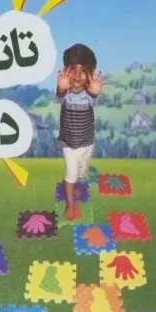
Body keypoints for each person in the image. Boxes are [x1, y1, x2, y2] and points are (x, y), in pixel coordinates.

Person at [56, 43, 104, 222]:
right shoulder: (65, 94)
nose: (77, 75)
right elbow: (59, 95)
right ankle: (70, 203)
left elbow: (94, 97)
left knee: (82, 172)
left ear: (90, 73)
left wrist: (96, 93)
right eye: (73, 69)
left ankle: (75, 181)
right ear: (65, 71)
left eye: (83, 70)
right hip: (69, 143)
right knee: (71, 173)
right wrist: (61, 88)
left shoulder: (90, 94)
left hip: (87, 142)